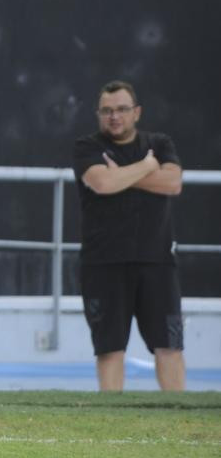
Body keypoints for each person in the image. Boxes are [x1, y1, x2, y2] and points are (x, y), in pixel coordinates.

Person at [73, 80, 185, 392]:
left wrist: (123, 172)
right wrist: (147, 168)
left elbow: (173, 183)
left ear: (136, 112)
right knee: (109, 348)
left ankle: (177, 417)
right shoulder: (88, 147)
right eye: (107, 110)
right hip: (103, 263)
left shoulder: (159, 144)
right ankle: (112, 421)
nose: (114, 116)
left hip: (157, 262)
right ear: (98, 114)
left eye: (121, 109)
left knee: (170, 345)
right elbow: (102, 184)